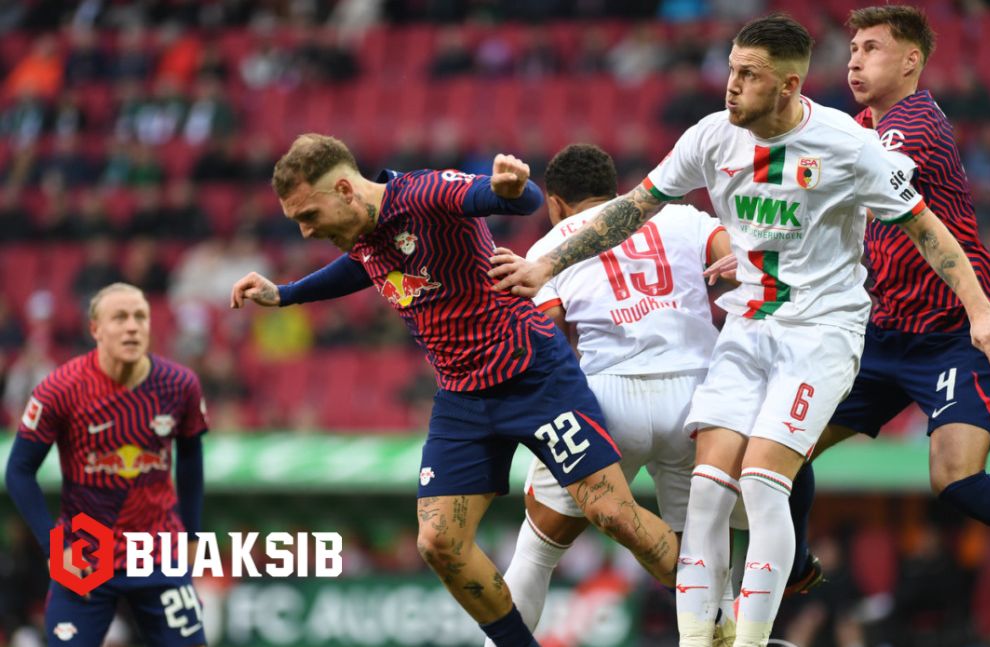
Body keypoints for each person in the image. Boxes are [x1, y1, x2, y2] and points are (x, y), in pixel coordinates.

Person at [488, 14, 990, 647]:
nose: (730, 84)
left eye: (748, 74)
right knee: (711, 492)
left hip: (846, 332)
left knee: (778, 482)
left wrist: (981, 314)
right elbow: (633, 208)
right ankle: (717, 627)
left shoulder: (857, 140)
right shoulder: (713, 136)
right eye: (731, 69)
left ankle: (753, 634)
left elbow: (926, 228)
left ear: (789, 85)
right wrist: (546, 265)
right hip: (772, 329)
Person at [229, 134, 680, 647]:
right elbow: (362, 265)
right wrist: (286, 294)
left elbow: (512, 198)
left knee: (613, 514)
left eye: (309, 214)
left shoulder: (425, 194)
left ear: (345, 190)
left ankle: (717, 614)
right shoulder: (362, 235)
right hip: (463, 395)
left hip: (532, 374)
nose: (306, 231)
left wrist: (513, 188)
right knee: (439, 541)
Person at [785, 5, 990, 569]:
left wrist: (772, 232)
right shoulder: (864, 126)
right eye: (853, 50)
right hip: (887, 331)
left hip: (956, 331)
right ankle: (792, 568)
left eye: (872, 49)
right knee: (784, 449)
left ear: (911, 61)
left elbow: (843, 188)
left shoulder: (911, 124)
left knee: (956, 479)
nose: (855, 62)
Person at [484, 143, 738, 647]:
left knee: (538, 549)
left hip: (607, 397)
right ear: (615, 188)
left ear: (555, 202)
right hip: (698, 394)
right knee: (702, 544)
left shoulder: (549, 246)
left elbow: (550, 338)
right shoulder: (681, 217)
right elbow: (736, 257)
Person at [5, 283, 208, 646]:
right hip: (85, 552)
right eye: (120, 318)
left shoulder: (180, 385)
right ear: (95, 329)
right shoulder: (60, 389)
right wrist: (55, 548)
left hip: (156, 550)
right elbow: (19, 470)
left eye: (140, 317)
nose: (132, 327)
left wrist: (193, 535)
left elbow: (191, 456)